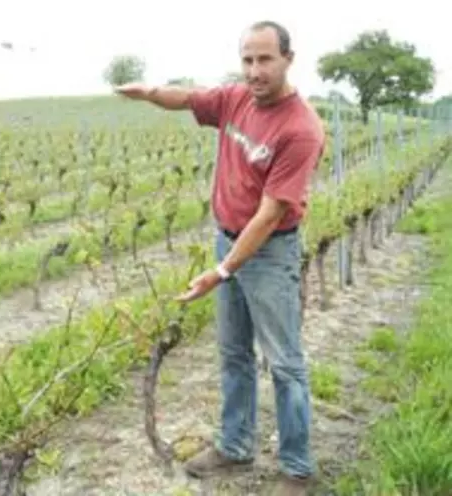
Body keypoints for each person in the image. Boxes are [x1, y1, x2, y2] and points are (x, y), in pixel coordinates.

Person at [114, 20, 325, 496]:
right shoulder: (234, 99)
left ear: (289, 59)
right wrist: (148, 92)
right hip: (227, 240)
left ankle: (296, 468)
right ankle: (234, 447)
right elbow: (188, 98)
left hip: (268, 253)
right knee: (232, 353)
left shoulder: (300, 129)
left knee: (285, 363)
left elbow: (271, 214)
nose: (254, 70)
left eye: (265, 59)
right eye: (247, 59)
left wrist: (223, 270)